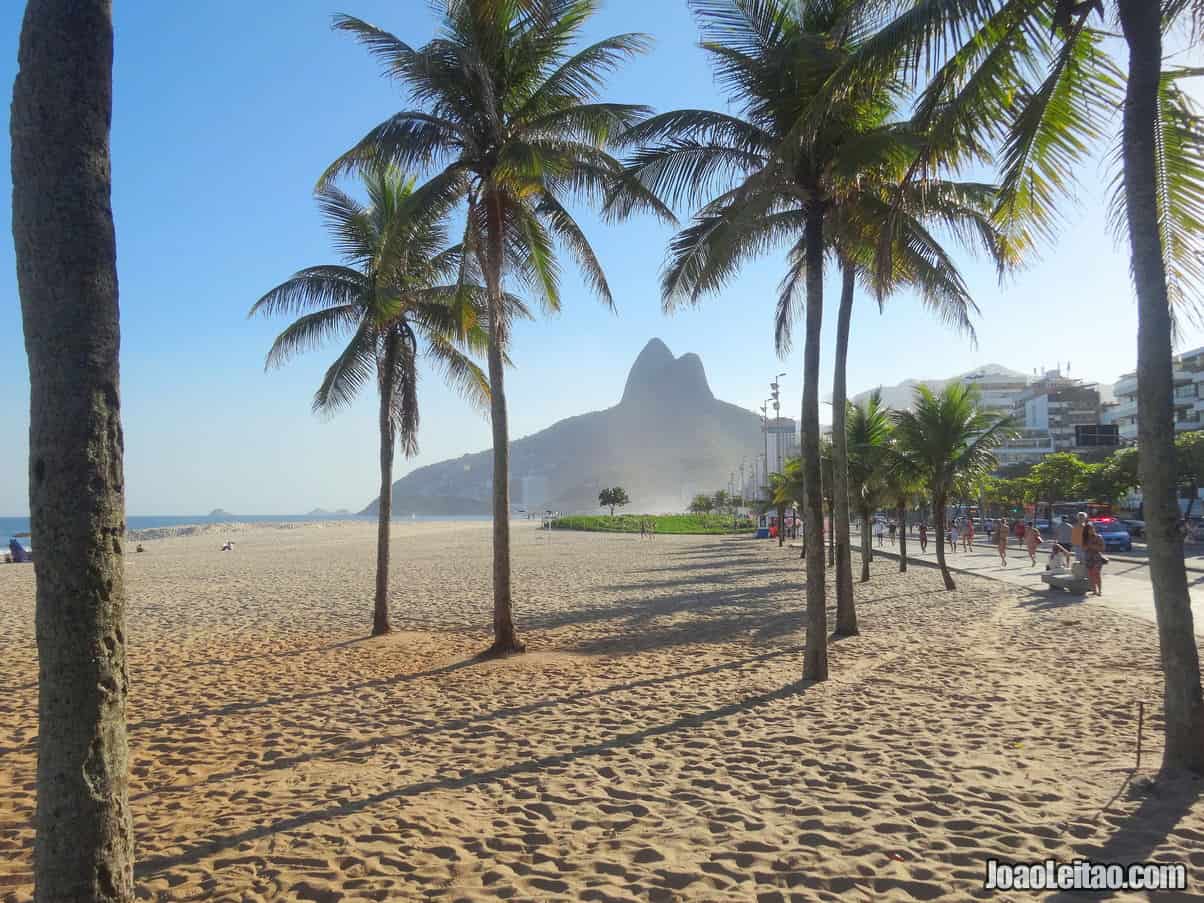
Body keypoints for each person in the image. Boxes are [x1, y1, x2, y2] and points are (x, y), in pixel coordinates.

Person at [1083, 523, 1106, 595]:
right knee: (1090, 575)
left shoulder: (1098, 537)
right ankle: (1094, 590)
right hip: (1088, 558)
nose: (1091, 531)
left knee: (1096, 574)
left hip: (1097, 558)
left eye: (1092, 529)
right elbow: (1083, 548)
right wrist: (1087, 546)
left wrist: (1092, 546)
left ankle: (1099, 591)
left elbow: (1102, 548)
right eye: (1089, 530)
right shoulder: (1085, 538)